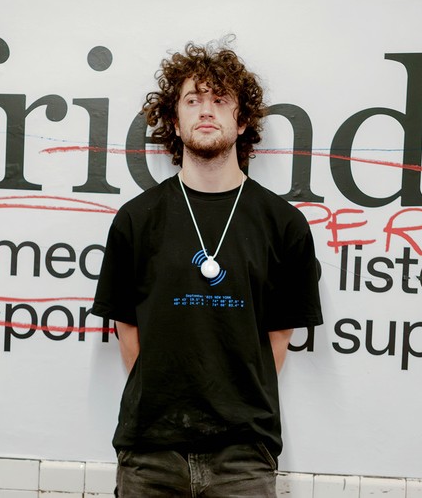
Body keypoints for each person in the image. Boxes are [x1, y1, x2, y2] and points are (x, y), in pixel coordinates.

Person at [92, 41, 324, 497]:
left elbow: (278, 339)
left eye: (220, 100)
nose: (206, 111)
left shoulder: (284, 225)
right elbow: (127, 330)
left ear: (242, 121)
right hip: (149, 453)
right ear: (174, 121)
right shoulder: (137, 220)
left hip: (243, 454)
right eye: (193, 100)